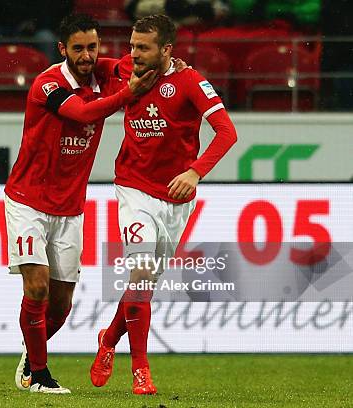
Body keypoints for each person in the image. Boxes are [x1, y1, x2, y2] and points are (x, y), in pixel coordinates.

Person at [5, 13, 160, 394]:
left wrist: (172, 66)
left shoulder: (104, 73)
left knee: (61, 304)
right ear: (63, 49)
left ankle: (31, 354)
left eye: (92, 47)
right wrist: (128, 95)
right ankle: (39, 375)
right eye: (78, 48)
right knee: (37, 287)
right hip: (28, 200)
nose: (87, 55)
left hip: (70, 207)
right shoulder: (48, 84)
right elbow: (83, 113)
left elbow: (138, 63)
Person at [89, 14, 237, 395]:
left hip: (175, 197)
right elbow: (91, 65)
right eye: (132, 45)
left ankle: (108, 340)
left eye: (143, 47)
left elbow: (227, 132)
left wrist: (195, 172)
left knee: (144, 288)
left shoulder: (189, 81)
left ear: (167, 50)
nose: (133, 54)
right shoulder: (125, 69)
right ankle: (141, 370)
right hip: (133, 189)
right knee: (138, 276)